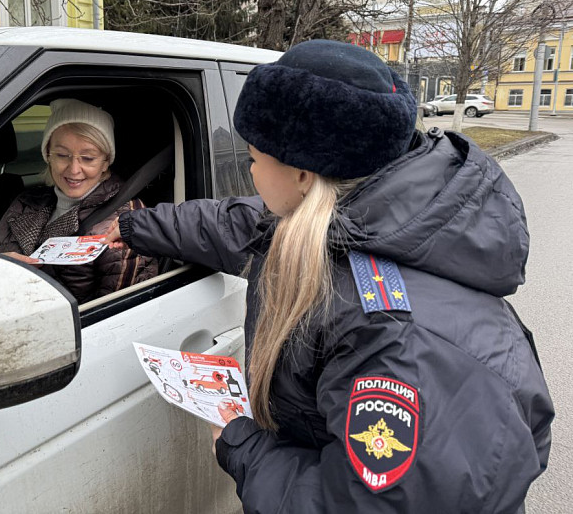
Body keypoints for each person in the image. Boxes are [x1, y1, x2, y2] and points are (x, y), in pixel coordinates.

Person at [103, 40, 553, 512]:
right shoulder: (350, 218)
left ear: (301, 175)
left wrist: (241, 448)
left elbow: (366, 505)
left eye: (254, 159)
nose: (249, 171)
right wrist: (132, 226)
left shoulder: (390, 336)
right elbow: (236, 224)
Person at [0, 98, 157, 303]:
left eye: (88, 158)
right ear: (48, 155)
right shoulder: (25, 202)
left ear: (106, 162)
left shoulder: (126, 220)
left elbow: (117, 314)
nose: (73, 169)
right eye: (62, 155)